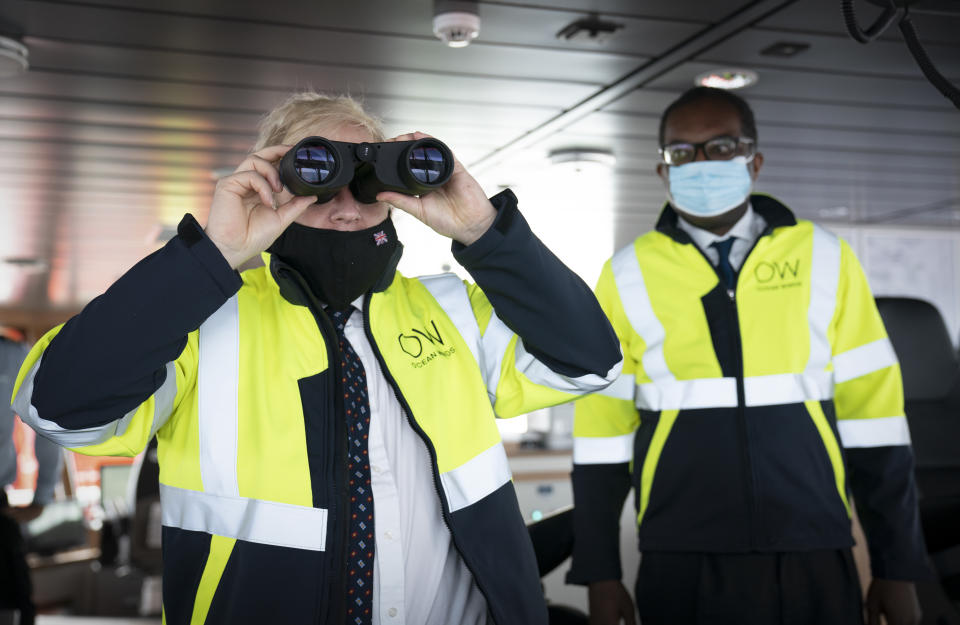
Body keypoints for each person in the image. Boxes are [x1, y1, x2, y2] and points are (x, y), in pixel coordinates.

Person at [10, 92, 622, 625]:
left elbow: (591, 360)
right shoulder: (198, 319)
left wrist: (485, 231)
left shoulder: (457, 311)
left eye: (367, 181)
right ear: (272, 184)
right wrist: (211, 257)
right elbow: (59, 407)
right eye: (317, 176)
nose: (347, 206)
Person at [567, 86, 930, 625]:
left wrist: (898, 564)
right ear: (663, 170)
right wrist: (600, 571)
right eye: (682, 153)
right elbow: (601, 435)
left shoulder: (826, 257)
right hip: (680, 552)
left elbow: (875, 423)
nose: (701, 163)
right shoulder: (625, 274)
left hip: (812, 543)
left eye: (720, 147)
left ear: (753, 161)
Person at [1, 332, 63, 625]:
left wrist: (42, 496)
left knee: (15, 608)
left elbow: (46, 420)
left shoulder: (15, 355)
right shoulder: (13, 355)